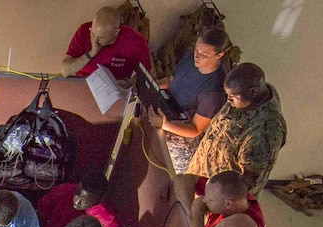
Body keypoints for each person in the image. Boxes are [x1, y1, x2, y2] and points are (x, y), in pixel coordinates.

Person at [184, 63, 287, 197]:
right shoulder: (251, 96)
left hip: (219, 197)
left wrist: (214, 204)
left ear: (253, 91)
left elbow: (249, 184)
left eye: (233, 97)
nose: (228, 100)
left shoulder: (266, 130)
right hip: (202, 178)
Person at [148, 27, 230, 174]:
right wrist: (149, 85)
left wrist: (164, 124)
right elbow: (171, 81)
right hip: (166, 112)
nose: (197, 56)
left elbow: (195, 129)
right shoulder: (190, 59)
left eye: (204, 54)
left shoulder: (214, 90)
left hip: (182, 141)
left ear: (219, 55)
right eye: (196, 51)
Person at [61, 5, 152, 82]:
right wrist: (91, 53)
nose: (95, 40)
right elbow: (65, 71)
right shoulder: (84, 30)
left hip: (115, 89)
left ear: (116, 32)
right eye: (92, 33)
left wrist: (129, 84)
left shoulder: (135, 40)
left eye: (101, 37)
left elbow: (146, 75)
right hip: (85, 84)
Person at [188, 170, 266, 227]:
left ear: (228, 204)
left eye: (209, 200)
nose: (203, 200)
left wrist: (197, 213)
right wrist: (189, 212)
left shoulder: (245, 226)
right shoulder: (233, 194)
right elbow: (182, 179)